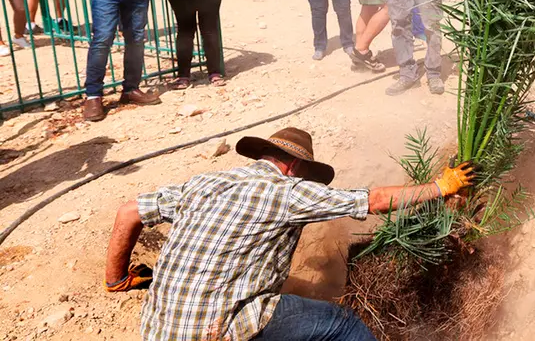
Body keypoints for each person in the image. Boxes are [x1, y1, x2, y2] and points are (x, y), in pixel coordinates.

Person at [103, 126, 476, 341]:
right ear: (295, 165)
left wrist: (118, 279)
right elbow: (375, 200)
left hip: (158, 330)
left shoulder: (205, 183)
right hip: (214, 330)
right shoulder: (288, 190)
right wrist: (440, 188)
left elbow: (128, 213)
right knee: (344, 325)